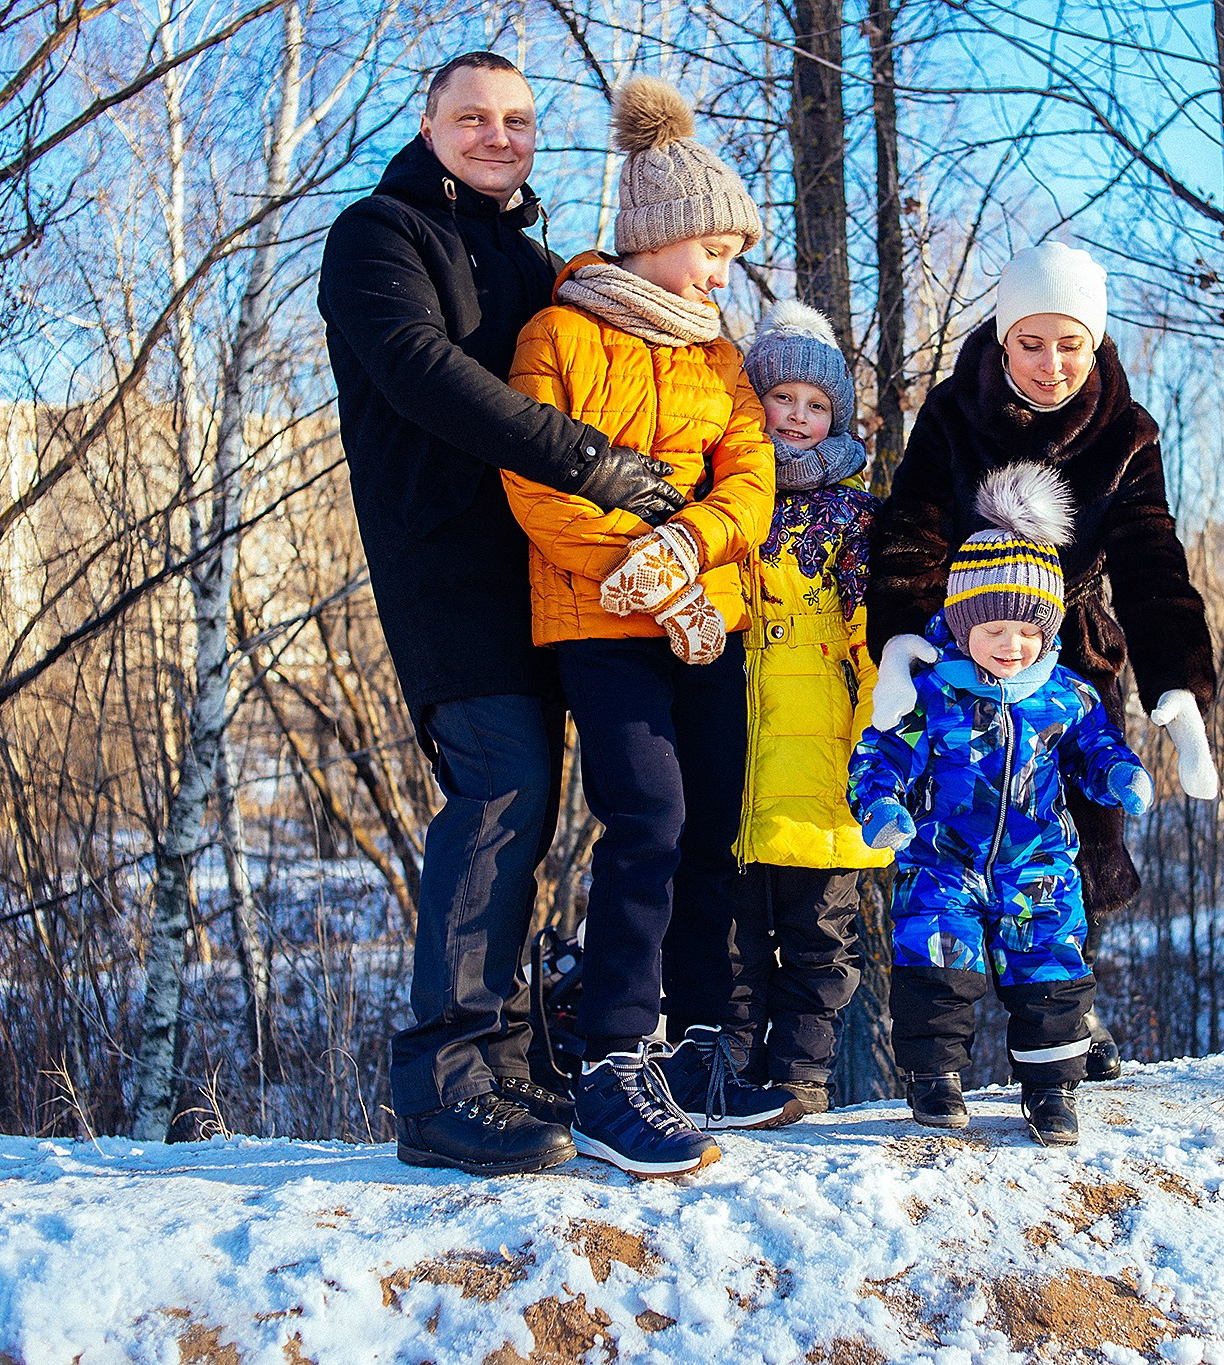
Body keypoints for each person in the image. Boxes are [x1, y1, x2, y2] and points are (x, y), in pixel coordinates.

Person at [319, 52, 687, 1177]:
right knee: (499, 794)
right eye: (472, 117)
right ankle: (444, 1083)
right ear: (428, 126)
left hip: (550, 573)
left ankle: (514, 1064)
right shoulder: (379, 234)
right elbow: (419, 369)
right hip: (447, 571)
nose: (497, 135)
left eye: (517, 119)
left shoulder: (532, 262)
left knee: (544, 807)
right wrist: (592, 463)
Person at [501, 76, 801, 1178]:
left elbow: (753, 475)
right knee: (649, 822)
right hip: (598, 619)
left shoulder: (718, 353)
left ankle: (695, 1049)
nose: (721, 270)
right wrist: (639, 562)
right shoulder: (560, 333)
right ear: (655, 233)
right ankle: (610, 1063)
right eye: (709, 248)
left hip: (705, 617)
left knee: (710, 826)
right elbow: (534, 484)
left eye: (729, 251)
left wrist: (695, 546)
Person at [865, 241, 1222, 1081]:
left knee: (1077, 841)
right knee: (949, 840)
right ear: (1001, 336)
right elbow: (912, 526)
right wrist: (903, 635)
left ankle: (1070, 1013)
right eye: (1032, 342)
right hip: (961, 657)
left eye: (1071, 344)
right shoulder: (955, 413)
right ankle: (940, 1034)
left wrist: (1179, 679)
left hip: (1071, 659)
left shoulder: (1128, 433)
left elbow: (1149, 554)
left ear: (1094, 342)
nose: (1051, 364)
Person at [849, 465, 1153, 1147]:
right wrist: (881, 805)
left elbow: (1092, 747)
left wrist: (1120, 774)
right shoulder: (933, 689)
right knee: (937, 965)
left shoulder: (1063, 694)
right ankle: (935, 1080)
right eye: (993, 629)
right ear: (962, 621)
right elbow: (881, 751)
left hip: (1035, 862)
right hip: (943, 859)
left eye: (1028, 630)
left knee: (1049, 968)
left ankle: (1050, 1090)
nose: (1012, 645)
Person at [725, 301, 891, 1116]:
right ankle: (728, 1069)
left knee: (822, 934)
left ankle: (800, 1077)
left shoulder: (855, 515)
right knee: (731, 939)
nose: (796, 416)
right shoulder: (724, 496)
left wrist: (874, 749)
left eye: (815, 404)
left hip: (826, 759)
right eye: (780, 397)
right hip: (737, 757)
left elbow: (875, 638)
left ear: (837, 416)